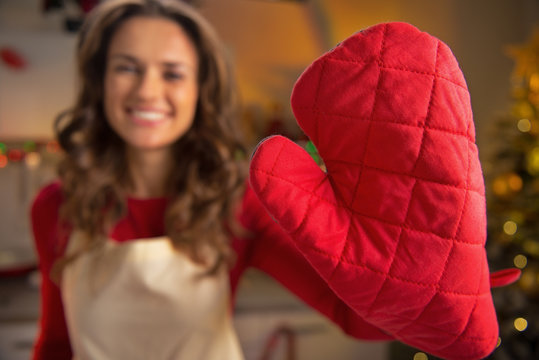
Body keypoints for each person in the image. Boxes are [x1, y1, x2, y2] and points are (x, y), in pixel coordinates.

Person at [31, 0, 512, 359]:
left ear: (202, 89)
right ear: (99, 83)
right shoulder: (55, 206)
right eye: (126, 68)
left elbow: (350, 313)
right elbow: (56, 341)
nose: (147, 90)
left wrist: (425, 279)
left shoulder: (238, 202)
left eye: (173, 73)